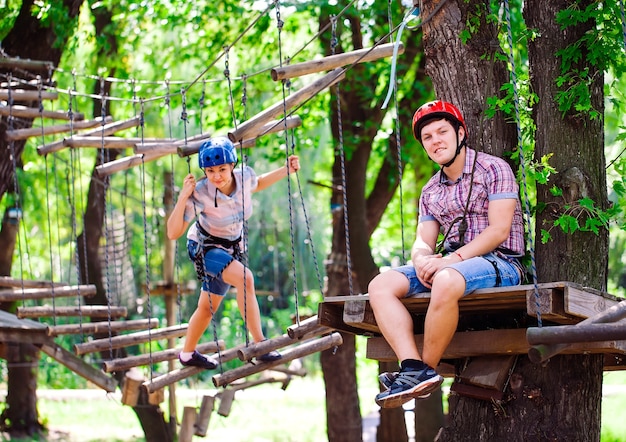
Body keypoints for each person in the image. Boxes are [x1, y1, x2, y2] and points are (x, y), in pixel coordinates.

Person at [368, 100, 525, 408]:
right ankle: (413, 368)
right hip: (449, 265)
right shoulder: (430, 190)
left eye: (442, 132)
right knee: (380, 285)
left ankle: (422, 372)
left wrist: (450, 261)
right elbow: (423, 241)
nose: (435, 140)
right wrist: (421, 260)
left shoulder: (494, 169)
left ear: (460, 133)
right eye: (427, 137)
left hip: (502, 262)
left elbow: (498, 231)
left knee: (445, 279)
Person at [167, 136, 301, 369]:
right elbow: (172, 232)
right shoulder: (201, 192)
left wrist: (285, 170)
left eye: (222, 169)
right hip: (204, 247)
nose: (216, 175)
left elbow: (257, 183)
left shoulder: (244, 176)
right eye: (210, 171)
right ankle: (261, 345)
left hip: (229, 249)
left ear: (232, 165)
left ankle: (187, 354)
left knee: (208, 308)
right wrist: (182, 198)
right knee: (245, 278)